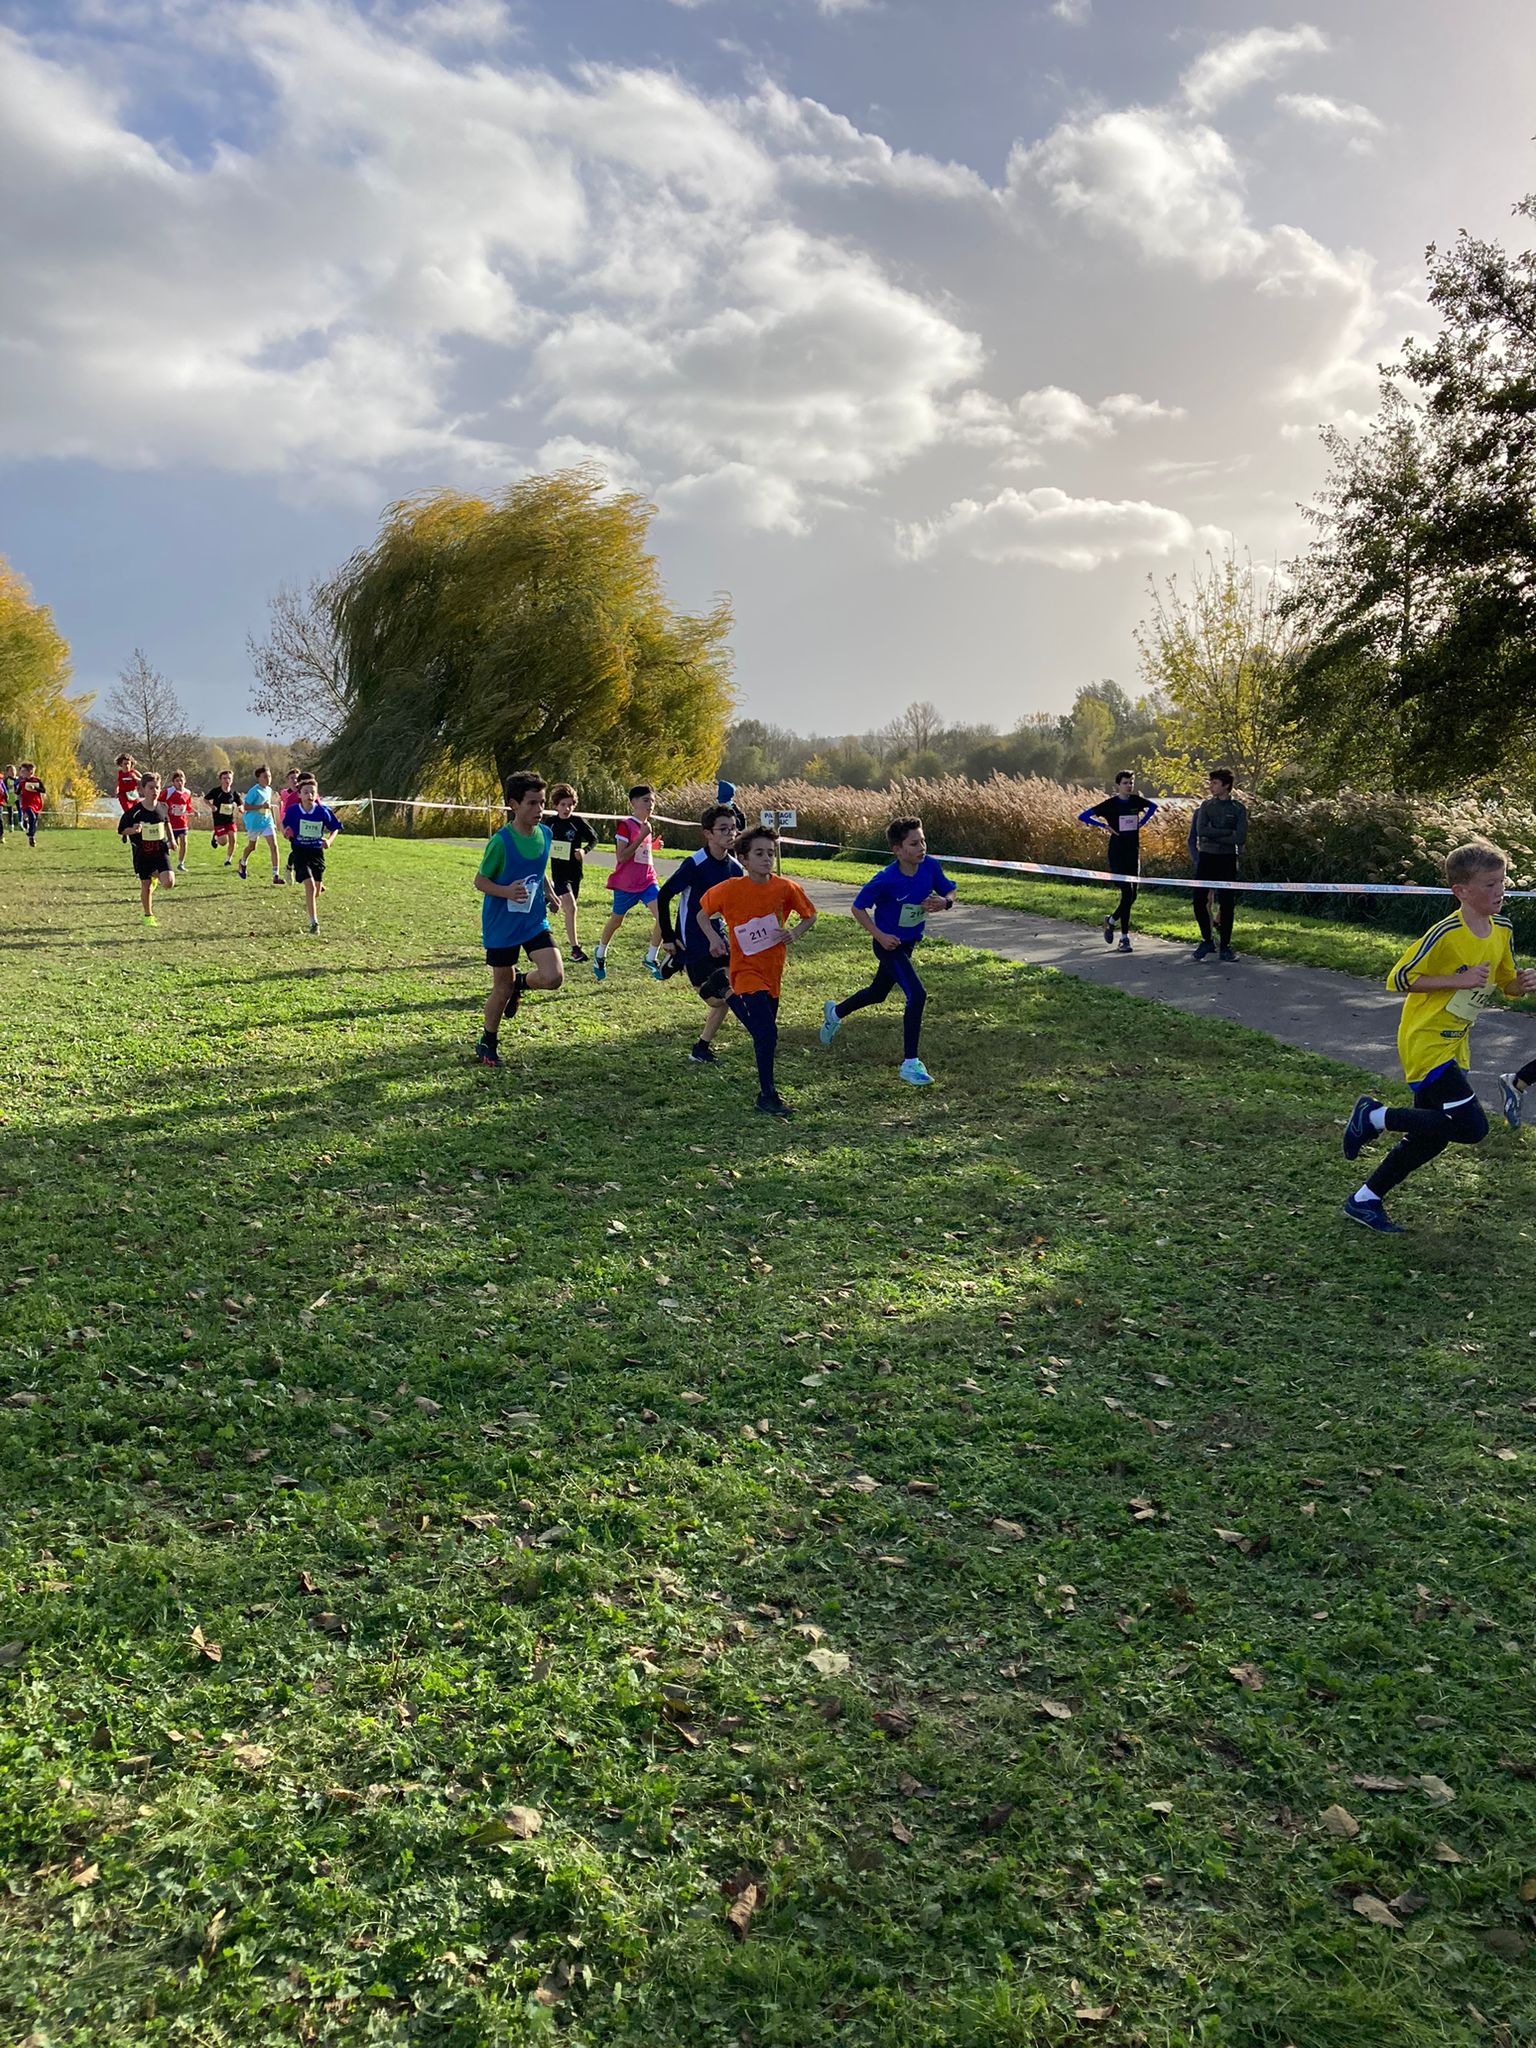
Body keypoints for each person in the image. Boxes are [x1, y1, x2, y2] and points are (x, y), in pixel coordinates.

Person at [1342, 839, 1536, 1232]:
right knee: (1471, 1127)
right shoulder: (1446, 932)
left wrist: (1521, 984)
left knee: (1429, 1136)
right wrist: (1457, 979)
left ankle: (1364, 1200)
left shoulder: (1502, 928)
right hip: (1426, 1040)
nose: (1499, 890)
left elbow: (1506, 983)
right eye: (1489, 884)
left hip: (1456, 1041)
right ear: (1461, 891)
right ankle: (1374, 1116)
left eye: (1502, 882)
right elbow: (1399, 978)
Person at [819, 817, 954, 1085]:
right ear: (898, 850)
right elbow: (858, 908)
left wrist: (945, 902)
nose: (921, 847)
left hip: (909, 943)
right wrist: (879, 936)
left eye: (923, 841)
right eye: (914, 843)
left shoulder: (930, 866)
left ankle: (834, 1013)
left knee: (877, 993)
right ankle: (910, 1064)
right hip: (888, 945)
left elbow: (950, 890)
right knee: (917, 994)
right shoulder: (886, 879)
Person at [699, 825, 817, 1118]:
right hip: (745, 969)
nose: (767, 859)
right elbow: (702, 914)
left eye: (771, 853)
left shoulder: (785, 888)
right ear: (743, 859)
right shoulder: (730, 889)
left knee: (763, 1033)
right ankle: (767, 1095)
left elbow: (810, 915)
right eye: (759, 853)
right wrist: (714, 939)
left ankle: (724, 990)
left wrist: (795, 933)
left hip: (772, 970)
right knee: (766, 1033)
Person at [472, 771, 564, 1068]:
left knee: (553, 977)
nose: (540, 809)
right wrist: (506, 891)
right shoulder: (501, 842)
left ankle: (520, 983)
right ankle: (488, 1041)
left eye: (542, 803)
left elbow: (538, 869)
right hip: (502, 925)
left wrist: (549, 892)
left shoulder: (545, 834)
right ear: (514, 804)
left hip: (533, 920)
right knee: (501, 989)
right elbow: (480, 881)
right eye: (532, 803)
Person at [656, 802, 744, 1065]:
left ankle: (701, 1047)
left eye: (733, 828)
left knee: (728, 992)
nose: (730, 834)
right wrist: (668, 936)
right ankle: (676, 959)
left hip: (718, 938)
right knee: (716, 999)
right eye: (723, 829)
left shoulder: (735, 868)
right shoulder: (695, 864)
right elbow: (664, 895)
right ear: (707, 833)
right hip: (691, 940)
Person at [1079, 773, 1158, 952]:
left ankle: (1111, 920)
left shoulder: (1136, 801)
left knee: (1133, 896)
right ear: (1117, 786)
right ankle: (1124, 938)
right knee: (1127, 894)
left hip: (1133, 852)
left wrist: (1142, 822)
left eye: (1131, 783)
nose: (1129, 786)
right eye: (1125, 783)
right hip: (1117, 853)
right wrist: (1104, 826)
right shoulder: (1110, 804)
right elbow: (1083, 816)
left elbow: (1153, 807)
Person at [594, 785, 664, 981]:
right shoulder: (626, 825)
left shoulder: (647, 826)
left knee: (663, 916)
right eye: (646, 800)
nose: (650, 805)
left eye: (652, 801)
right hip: (626, 884)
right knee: (616, 921)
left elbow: (641, 852)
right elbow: (622, 856)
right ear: (633, 803)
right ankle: (600, 953)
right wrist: (642, 836)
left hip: (648, 881)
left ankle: (651, 957)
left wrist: (653, 845)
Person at [1186, 768, 1247, 962]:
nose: (1210, 786)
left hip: (1227, 858)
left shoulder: (1238, 808)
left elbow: (1240, 837)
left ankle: (1225, 946)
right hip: (1207, 857)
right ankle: (1207, 939)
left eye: (1214, 783)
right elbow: (1202, 831)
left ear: (1226, 786)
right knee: (1199, 900)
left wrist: (1216, 834)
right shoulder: (1206, 806)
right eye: (1210, 783)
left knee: (1227, 903)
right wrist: (1227, 833)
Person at [282, 773, 343, 934]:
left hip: (316, 852)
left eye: (312, 792)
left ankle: (310, 905)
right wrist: (286, 832)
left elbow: (335, 828)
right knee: (309, 886)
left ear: (316, 795)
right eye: (306, 792)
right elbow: (285, 825)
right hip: (300, 851)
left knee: (316, 890)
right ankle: (314, 923)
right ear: (299, 795)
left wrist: (329, 841)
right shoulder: (294, 811)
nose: (309, 795)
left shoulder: (322, 811)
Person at [545, 783, 598, 963]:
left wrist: (584, 850)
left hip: (575, 873)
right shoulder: (550, 823)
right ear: (556, 806)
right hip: (559, 873)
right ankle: (575, 949)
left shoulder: (578, 822)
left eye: (570, 805)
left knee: (569, 908)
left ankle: (548, 897)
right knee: (572, 907)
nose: (566, 808)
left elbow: (593, 838)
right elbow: (540, 841)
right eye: (563, 805)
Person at [117, 770, 176, 923]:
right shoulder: (135, 811)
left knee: (169, 882)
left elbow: (167, 823)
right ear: (142, 789)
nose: (154, 791)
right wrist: (133, 830)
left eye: (157, 787)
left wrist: (172, 840)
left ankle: (155, 876)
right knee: (146, 885)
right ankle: (148, 916)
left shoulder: (163, 807)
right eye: (151, 788)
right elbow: (121, 829)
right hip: (142, 853)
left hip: (160, 851)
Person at [239, 765, 283, 882]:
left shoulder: (269, 790)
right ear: (258, 778)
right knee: (252, 847)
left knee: (274, 846)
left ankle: (276, 875)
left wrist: (268, 808)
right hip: (254, 823)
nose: (268, 779)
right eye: (265, 777)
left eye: (269, 776)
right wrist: (261, 806)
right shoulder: (254, 791)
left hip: (267, 821)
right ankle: (243, 862)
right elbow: (246, 807)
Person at [163, 770, 196, 872]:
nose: (179, 783)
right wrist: (164, 810)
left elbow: (188, 806)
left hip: (182, 822)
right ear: (173, 782)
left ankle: (181, 863)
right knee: (172, 844)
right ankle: (162, 859)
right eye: (177, 781)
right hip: (171, 823)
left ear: (185, 781)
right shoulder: (169, 792)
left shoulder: (187, 792)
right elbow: (159, 800)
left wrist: (194, 811)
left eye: (181, 780)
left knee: (184, 842)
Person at [206, 769, 241, 863]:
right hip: (219, 820)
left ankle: (228, 860)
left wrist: (241, 808)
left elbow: (240, 803)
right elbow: (205, 799)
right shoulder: (216, 791)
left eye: (229, 778)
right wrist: (211, 806)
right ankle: (216, 836)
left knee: (233, 839)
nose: (227, 780)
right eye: (224, 778)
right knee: (223, 842)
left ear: (232, 780)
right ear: (221, 780)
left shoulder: (233, 793)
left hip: (230, 820)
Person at [15, 763, 44, 848]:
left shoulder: (37, 780)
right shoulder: (22, 782)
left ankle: (31, 837)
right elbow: (17, 792)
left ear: (30, 772)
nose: (21, 773)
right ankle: (30, 833)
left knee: (34, 821)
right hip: (26, 803)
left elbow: (43, 790)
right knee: (32, 817)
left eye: (23, 771)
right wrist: (19, 798)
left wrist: (35, 788)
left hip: (36, 803)